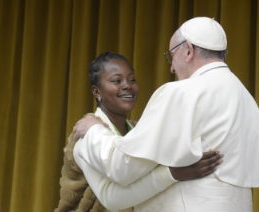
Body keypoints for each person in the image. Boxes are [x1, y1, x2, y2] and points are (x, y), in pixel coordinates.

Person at [73, 17, 259, 211]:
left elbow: (122, 167)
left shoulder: (181, 92)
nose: (171, 68)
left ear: (188, 50)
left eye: (172, 56)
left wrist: (93, 130)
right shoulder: (247, 99)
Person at [55, 52, 223, 212]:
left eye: (132, 79)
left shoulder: (137, 130)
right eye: (116, 81)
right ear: (96, 91)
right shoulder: (84, 137)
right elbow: (112, 198)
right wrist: (175, 173)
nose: (127, 86)